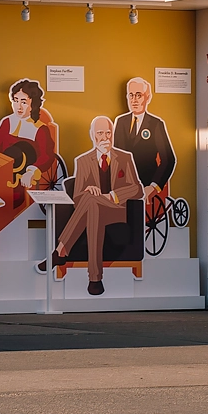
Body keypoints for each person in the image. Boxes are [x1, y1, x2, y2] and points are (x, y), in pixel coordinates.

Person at [42, 115, 143, 297]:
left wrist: (113, 195)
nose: (105, 138)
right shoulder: (83, 161)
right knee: (91, 203)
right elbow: (78, 198)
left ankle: (61, 250)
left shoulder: (125, 158)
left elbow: (137, 189)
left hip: (117, 210)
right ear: (92, 135)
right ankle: (95, 279)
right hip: (94, 210)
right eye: (100, 133)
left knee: (92, 203)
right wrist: (88, 190)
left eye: (108, 133)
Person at [0, 79, 57, 199]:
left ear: (33, 104)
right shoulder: (7, 121)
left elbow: (46, 156)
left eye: (24, 102)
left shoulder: (40, 129)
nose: (19, 107)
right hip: (4, 168)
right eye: (15, 101)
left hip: (23, 174)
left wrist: (31, 171)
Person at [113, 77, 176, 202]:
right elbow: (115, 154)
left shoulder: (155, 124)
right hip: (122, 184)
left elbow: (168, 159)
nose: (134, 100)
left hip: (146, 183)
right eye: (131, 95)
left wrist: (153, 187)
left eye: (138, 95)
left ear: (148, 97)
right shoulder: (120, 122)